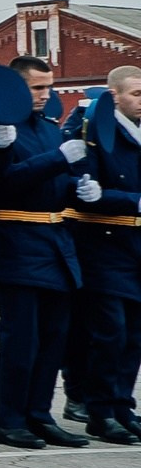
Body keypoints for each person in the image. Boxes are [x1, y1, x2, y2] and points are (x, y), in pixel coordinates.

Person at [0, 57, 90, 449]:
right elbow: (1, 185)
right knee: (21, 339)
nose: (46, 95)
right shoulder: (1, 134)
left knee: (54, 337)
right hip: (16, 241)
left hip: (55, 243)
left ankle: (40, 414)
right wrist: (59, 160)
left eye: (48, 87)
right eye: (37, 88)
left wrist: (80, 186)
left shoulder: (48, 129)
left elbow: (56, 183)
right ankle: (10, 420)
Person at [67, 67, 141, 442]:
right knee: (110, 332)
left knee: (134, 336)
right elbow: (87, 190)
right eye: (136, 94)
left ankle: (121, 405)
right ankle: (98, 410)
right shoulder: (93, 132)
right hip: (105, 243)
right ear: (114, 97)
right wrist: (133, 200)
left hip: (136, 247)